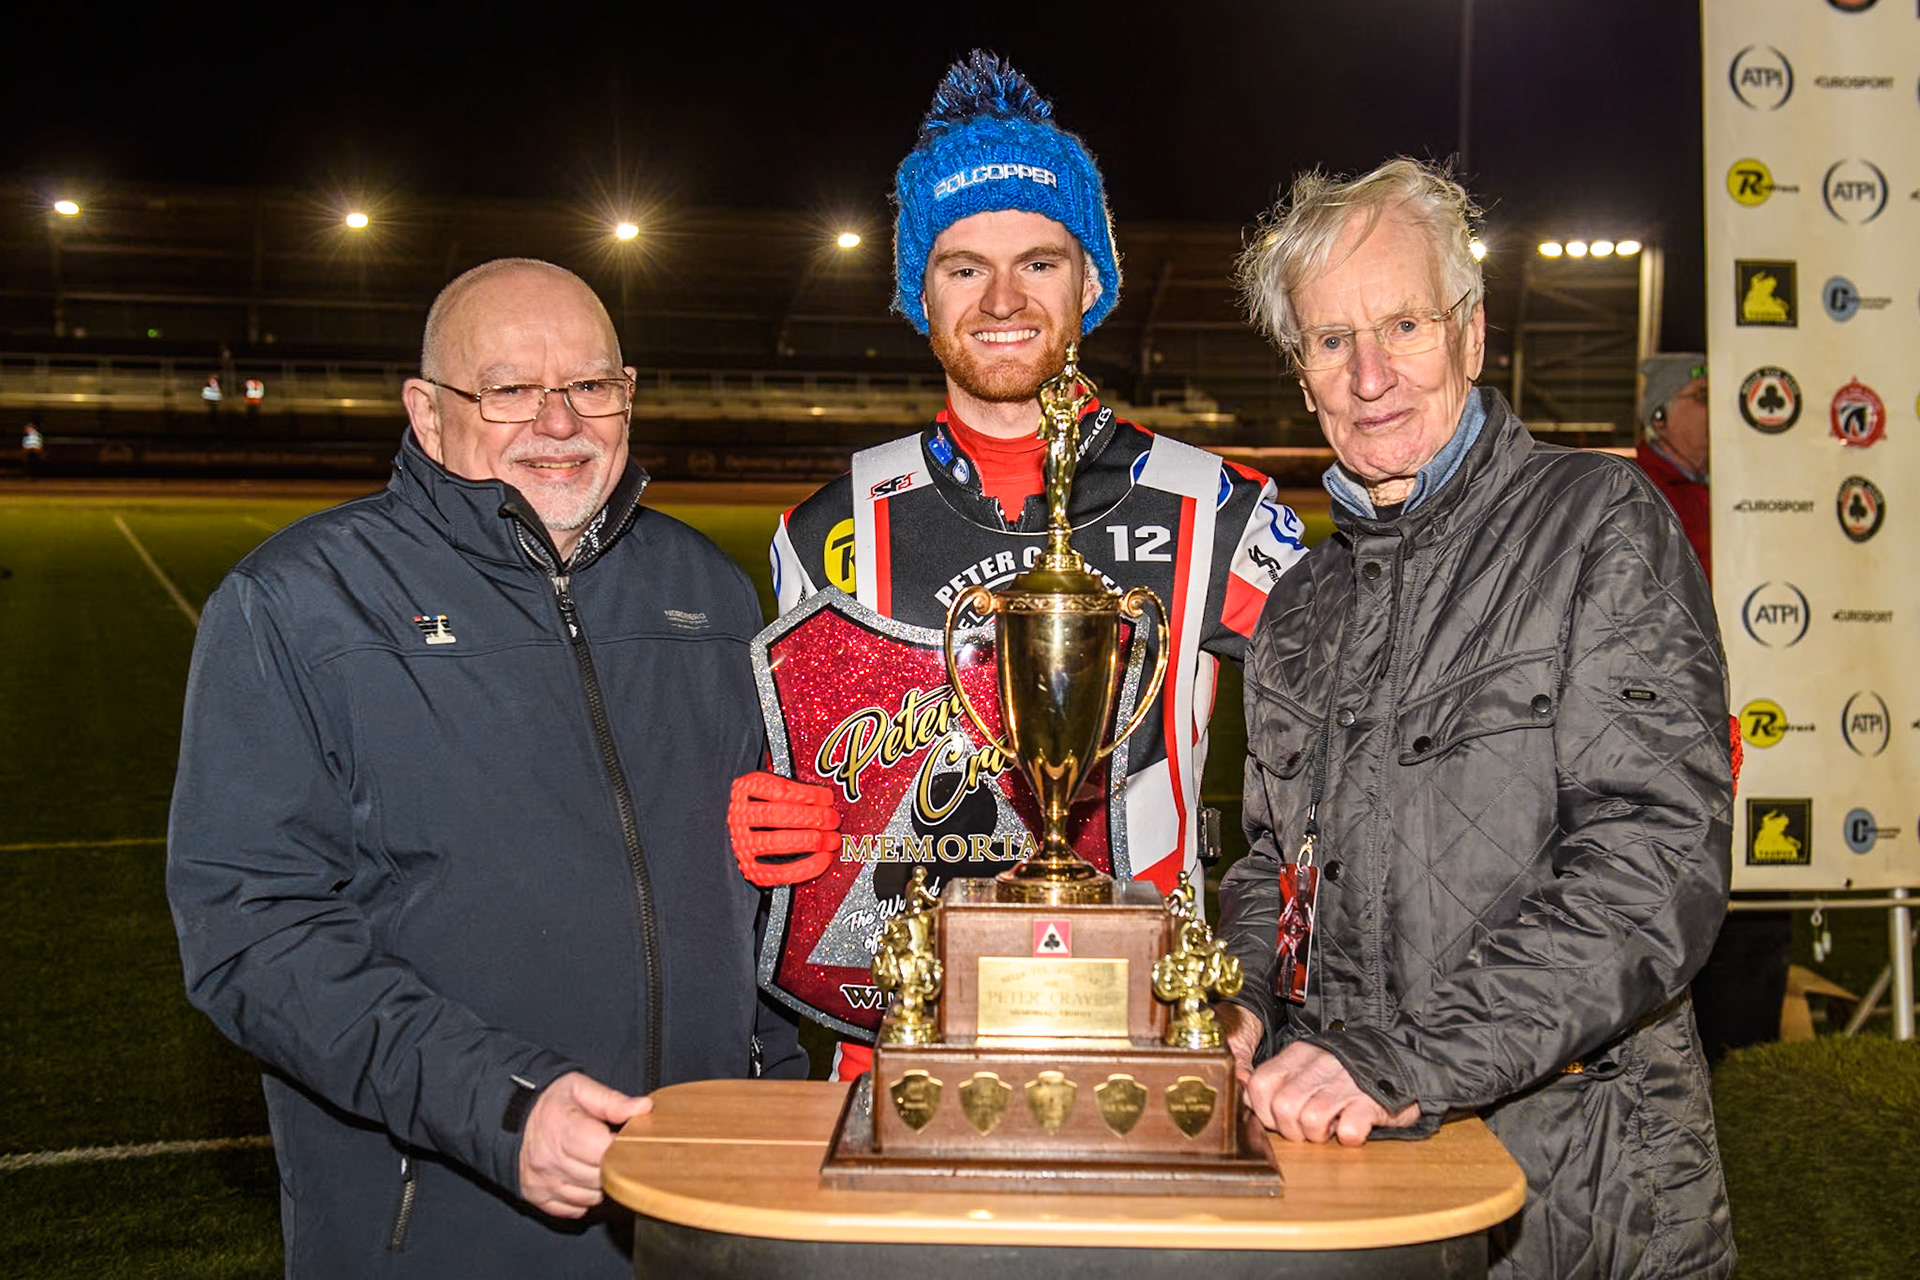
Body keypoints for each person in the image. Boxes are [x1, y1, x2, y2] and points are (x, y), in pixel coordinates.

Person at [167, 258, 805, 1278]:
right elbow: (252, 933)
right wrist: (501, 1105)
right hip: (444, 1221)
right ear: (427, 411)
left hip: (701, 1211)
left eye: (591, 386)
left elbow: (754, 875)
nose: (559, 422)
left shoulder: (708, 591)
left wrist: (775, 1082)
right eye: (509, 389)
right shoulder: (296, 603)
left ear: (628, 394)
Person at [729, 51, 1308, 1080]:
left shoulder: (1220, 507)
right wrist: (761, 826)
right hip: (900, 1047)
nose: (1003, 297)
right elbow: (777, 800)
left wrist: (1263, 977)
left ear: (1091, 279)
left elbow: (1358, 765)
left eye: (1039, 260)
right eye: (963, 266)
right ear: (920, 291)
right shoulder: (825, 528)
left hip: (1155, 1036)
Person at [1218, 160, 1734, 1278]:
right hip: (1360, 1180)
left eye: (1402, 323)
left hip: (1579, 1197)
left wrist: (1397, 1057)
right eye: (1329, 340)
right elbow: (1273, 861)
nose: (1369, 374)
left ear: (1470, 332)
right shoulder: (1302, 603)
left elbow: (1655, 868)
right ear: (1300, 373)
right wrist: (1239, 998)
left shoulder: (1598, 525)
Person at [1635, 352, 1790, 1065]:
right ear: (1659, 415)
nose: (1717, 410)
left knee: (1760, 904)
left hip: (1765, 726)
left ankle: (1747, 1064)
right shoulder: (1631, 494)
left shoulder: (1752, 493)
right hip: (1676, 743)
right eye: (1700, 397)